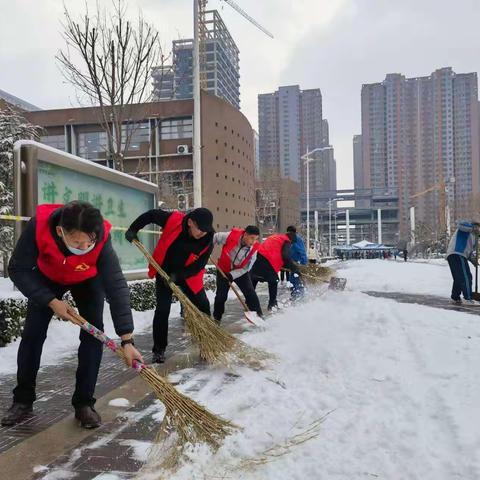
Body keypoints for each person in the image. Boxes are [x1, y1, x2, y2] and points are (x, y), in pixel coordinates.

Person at [1, 201, 143, 429]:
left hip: (87, 280)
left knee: (93, 337)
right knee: (32, 335)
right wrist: (50, 300)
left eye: (90, 242)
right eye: (77, 242)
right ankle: (22, 400)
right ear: (60, 231)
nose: (84, 246)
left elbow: (116, 285)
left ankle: (84, 403)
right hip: (47, 279)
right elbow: (17, 268)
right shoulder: (39, 228)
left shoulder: (101, 240)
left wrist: (127, 339)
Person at [125, 207, 214, 363]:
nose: (202, 233)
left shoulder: (208, 238)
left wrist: (179, 275)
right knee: (162, 310)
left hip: (188, 275)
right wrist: (134, 228)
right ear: (191, 222)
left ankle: (207, 344)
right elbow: (151, 215)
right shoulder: (174, 220)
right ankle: (159, 350)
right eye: (199, 229)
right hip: (164, 272)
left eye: (205, 230)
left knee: (203, 307)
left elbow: (198, 265)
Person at [212, 225, 262, 323]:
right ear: (245, 234)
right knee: (221, 296)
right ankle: (217, 319)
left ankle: (259, 316)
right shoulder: (231, 236)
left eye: (255, 239)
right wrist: (206, 249)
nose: (253, 242)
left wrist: (232, 275)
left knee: (250, 293)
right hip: (223, 270)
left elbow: (246, 268)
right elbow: (215, 237)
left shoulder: (254, 249)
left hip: (240, 272)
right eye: (252, 238)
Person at [250, 231, 300, 311]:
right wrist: (294, 268)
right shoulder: (286, 241)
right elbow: (285, 256)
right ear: (291, 240)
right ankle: (272, 303)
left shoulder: (276, 237)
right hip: (269, 261)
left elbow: (278, 253)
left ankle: (249, 300)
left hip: (260, 256)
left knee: (254, 277)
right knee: (273, 281)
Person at [446, 219, 479, 306]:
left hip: (456, 255)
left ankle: (455, 298)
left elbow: (468, 251)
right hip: (457, 253)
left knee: (459, 278)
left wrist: (473, 260)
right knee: (466, 277)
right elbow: (460, 224)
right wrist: (473, 228)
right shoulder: (466, 227)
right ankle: (468, 298)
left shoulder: (474, 238)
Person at [286, 226, 307, 299]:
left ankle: (298, 296)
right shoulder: (291, 239)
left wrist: (303, 264)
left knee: (296, 279)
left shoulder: (296, 239)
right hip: (293, 263)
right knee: (293, 279)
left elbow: (301, 251)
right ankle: (295, 295)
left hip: (298, 263)